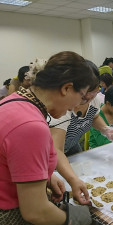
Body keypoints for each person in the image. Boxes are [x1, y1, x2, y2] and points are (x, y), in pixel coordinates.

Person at [0, 51, 94, 224]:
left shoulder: (14, 101)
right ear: (66, 88)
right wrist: (77, 220)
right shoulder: (30, 126)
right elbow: (36, 212)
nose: (77, 106)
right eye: (81, 97)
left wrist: (45, 177)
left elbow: (11, 160)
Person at [49, 60, 113, 206]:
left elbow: (93, 117)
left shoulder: (93, 100)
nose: (91, 96)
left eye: (96, 90)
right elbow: (56, 150)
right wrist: (73, 180)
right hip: (51, 158)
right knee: (66, 194)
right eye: (87, 92)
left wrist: (105, 129)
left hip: (73, 149)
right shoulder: (65, 107)